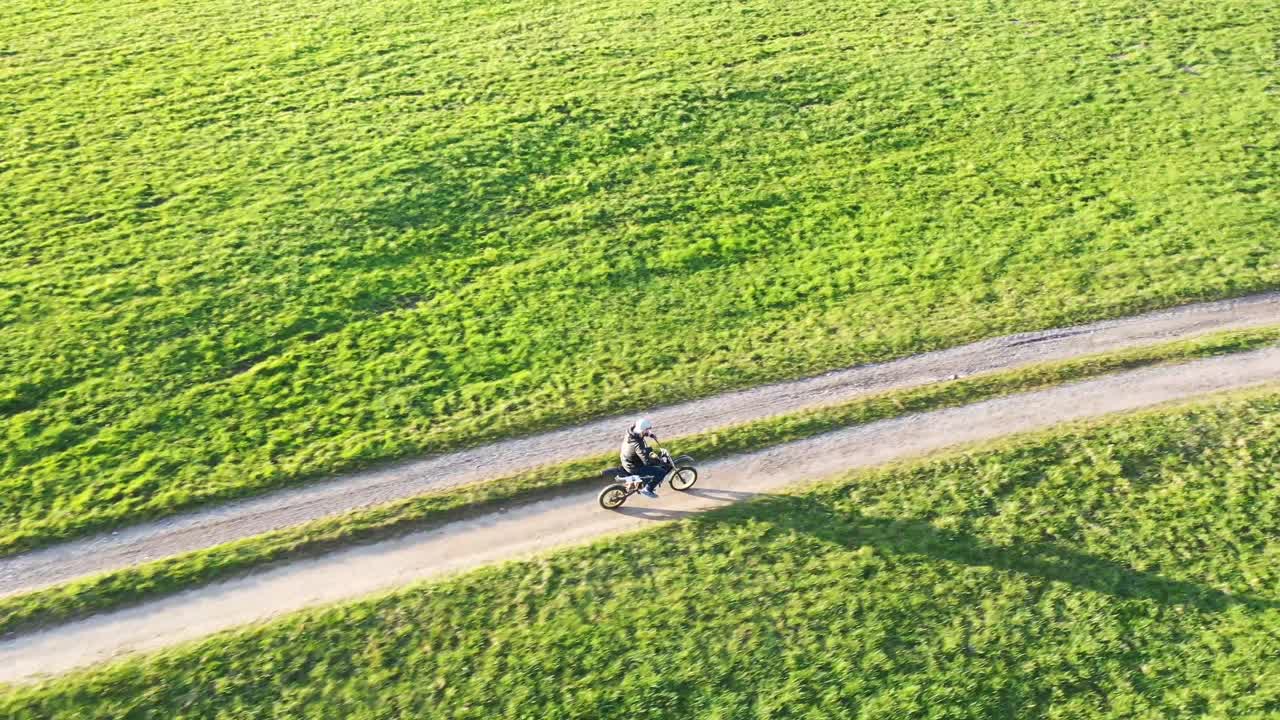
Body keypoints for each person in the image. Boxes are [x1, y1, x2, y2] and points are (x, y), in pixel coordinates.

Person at [620, 417, 664, 498]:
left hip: (625, 459)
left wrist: (649, 434)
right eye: (647, 430)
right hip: (633, 466)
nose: (648, 431)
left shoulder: (630, 432)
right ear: (642, 430)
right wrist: (658, 460)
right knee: (661, 472)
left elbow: (640, 433)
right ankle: (648, 489)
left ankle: (641, 482)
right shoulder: (638, 445)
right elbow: (647, 461)